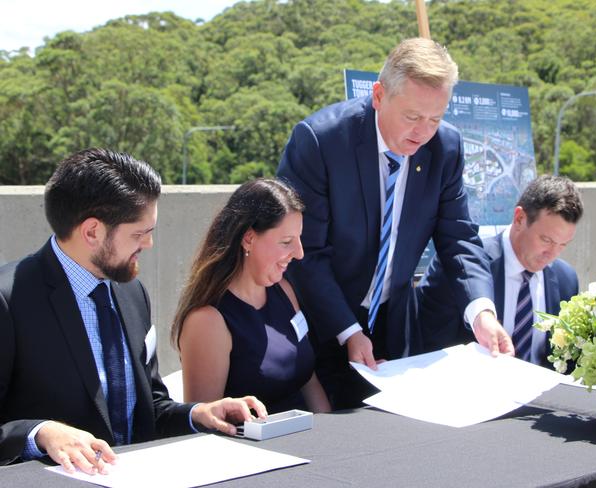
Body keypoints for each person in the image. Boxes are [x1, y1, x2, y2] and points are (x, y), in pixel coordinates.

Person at [277, 37, 512, 409]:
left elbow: (459, 239)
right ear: (379, 96)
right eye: (412, 117)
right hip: (321, 323)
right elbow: (306, 253)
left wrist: (481, 311)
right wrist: (349, 331)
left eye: (435, 118)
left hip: (395, 324)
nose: (423, 132)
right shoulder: (322, 141)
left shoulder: (445, 148)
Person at [0, 148, 267, 473]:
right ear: (92, 232)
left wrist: (198, 414)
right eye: (140, 234)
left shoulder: (131, 291)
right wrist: (41, 433)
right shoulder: (9, 299)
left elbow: (148, 407)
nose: (149, 245)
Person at [171, 179, 330, 414]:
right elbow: (205, 425)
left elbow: (309, 381)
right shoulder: (207, 321)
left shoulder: (284, 291)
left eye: (299, 239)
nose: (299, 253)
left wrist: (329, 433)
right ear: (249, 238)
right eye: (286, 242)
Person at [416, 175, 584, 367]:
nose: (552, 254)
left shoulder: (566, 280)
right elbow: (430, 349)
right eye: (546, 240)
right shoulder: (460, 266)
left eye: (563, 245)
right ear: (519, 218)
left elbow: (566, 362)